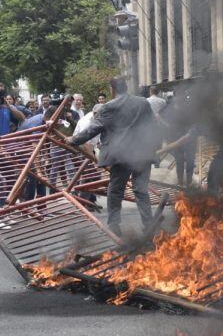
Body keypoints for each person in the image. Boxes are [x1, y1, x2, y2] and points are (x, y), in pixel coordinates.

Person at [66, 77, 161, 236]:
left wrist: (73, 140)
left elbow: (94, 128)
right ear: (126, 87)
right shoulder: (142, 102)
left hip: (122, 155)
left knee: (116, 190)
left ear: (113, 89)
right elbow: (152, 125)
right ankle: (148, 223)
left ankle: (114, 224)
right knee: (141, 189)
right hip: (143, 153)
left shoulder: (109, 106)